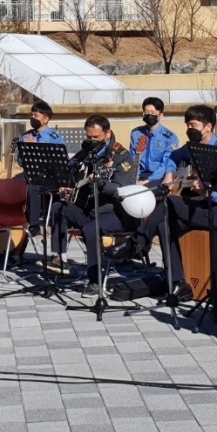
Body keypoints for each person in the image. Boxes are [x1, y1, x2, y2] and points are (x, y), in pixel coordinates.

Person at [109, 105, 217, 298]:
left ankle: (138, 242)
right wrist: (169, 174)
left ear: (208, 126)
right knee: (164, 224)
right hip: (197, 206)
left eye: (193, 125)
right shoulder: (191, 147)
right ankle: (178, 283)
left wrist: (205, 191)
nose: (189, 129)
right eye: (187, 125)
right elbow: (173, 156)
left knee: (168, 202)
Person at [46, 115, 136, 298]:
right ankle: (59, 258)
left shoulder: (122, 157)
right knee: (58, 208)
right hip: (89, 208)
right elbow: (70, 169)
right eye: (89, 137)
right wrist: (66, 186)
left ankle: (95, 281)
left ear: (107, 133)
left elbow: (121, 190)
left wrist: (102, 184)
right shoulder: (86, 151)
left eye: (96, 137)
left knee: (90, 229)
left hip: (115, 213)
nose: (92, 141)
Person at [19, 100, 66, 235]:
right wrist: (27, 151)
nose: (32, 118)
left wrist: (36, 148)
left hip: (49, 175)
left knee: (33, 187)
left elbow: (57, 161)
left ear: (45, 119)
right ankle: (16, 218)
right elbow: (21, 161)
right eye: (32, 115)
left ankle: (34, 224)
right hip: (30, 172)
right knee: (14, 183)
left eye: (36, 116)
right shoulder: (26, 136)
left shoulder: (54, 138)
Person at [129, 97, 179, 188]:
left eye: (152, 112)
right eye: (146, 112)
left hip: (158, 176)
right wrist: (135, 179)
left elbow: (166, 164)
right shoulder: (136, 133)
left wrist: (147, 180)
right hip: (140, 175)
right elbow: (132, 158)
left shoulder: (170, 137)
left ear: (161, 115)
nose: (149, 115)